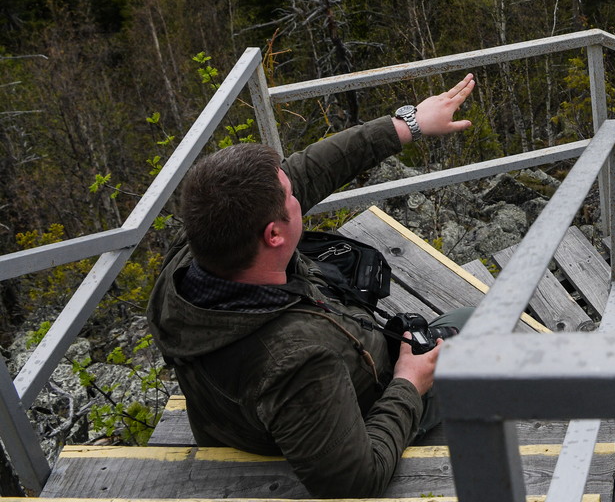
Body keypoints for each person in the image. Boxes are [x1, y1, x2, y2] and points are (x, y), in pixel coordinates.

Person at [146, 74, 477, 497]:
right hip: (355, 410)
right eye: (290, 197)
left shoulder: (197, 253)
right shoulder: (296, 361)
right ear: (273, 236)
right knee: (478, 325)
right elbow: (354, 481)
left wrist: (407, 125)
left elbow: (305, 171)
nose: (297, 190)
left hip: (237, 420)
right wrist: (409, 382)